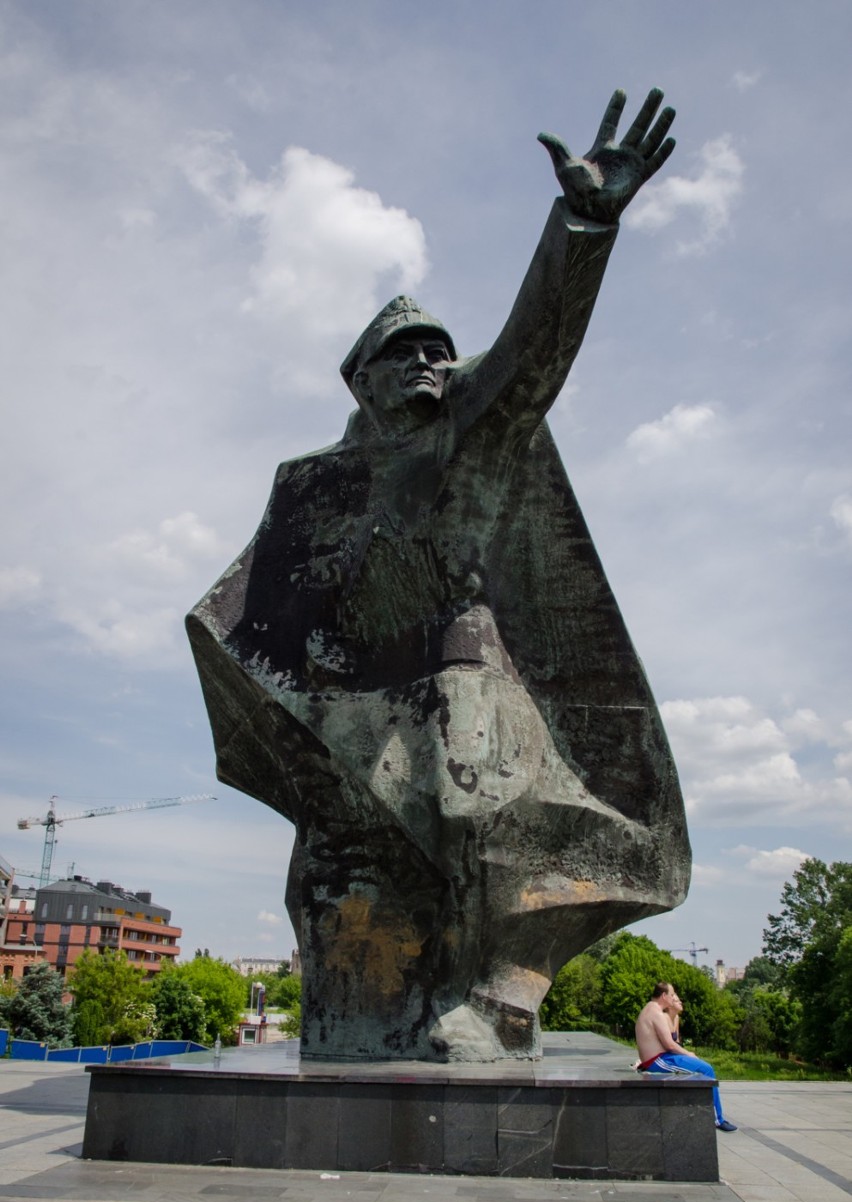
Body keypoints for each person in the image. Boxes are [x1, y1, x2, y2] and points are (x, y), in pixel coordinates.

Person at [188, 90, 692, 1061]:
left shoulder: (474, 430)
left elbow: (536, 348)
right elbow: (270, 612)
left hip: (466, 683)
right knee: (337, 870)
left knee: (473, 814)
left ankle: (493, 999)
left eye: (439, 349)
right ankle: (360, 1014)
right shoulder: (316, 484)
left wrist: (583, 223)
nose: (429, 359)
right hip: (359, 702)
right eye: (403, 349)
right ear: (362, 378)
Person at [635, 983, 737, 1131]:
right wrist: (689, 1054)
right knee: (706, 1070)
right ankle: (717, 1120)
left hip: (661, 1058)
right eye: (672, 995)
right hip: (658, 1061)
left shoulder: (650, 1009)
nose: (674, 998)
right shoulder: (655, 1012)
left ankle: (706, 1115)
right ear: (664, 996)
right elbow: (669, 1044)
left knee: (703, 1068)